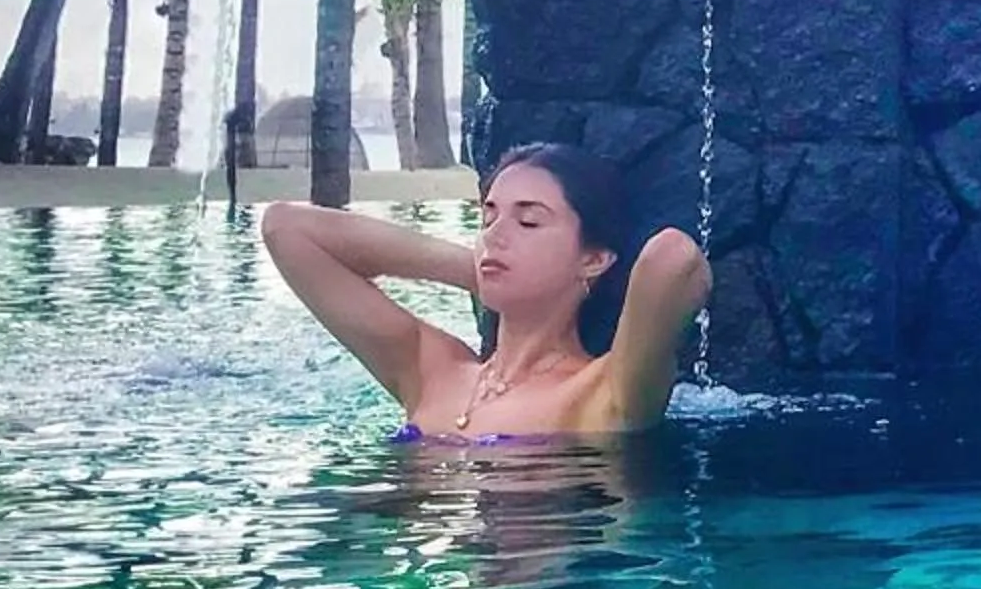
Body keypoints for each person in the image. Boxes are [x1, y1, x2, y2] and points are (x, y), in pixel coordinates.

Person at [263, 145, 712, 443]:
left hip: (560, 588)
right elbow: (287, 228)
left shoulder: (601, 395)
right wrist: (474, 272)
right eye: (488, 217)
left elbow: (675, 258)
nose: (496, 235)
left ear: (593, 259)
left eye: (529, 221)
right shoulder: (432, 370)